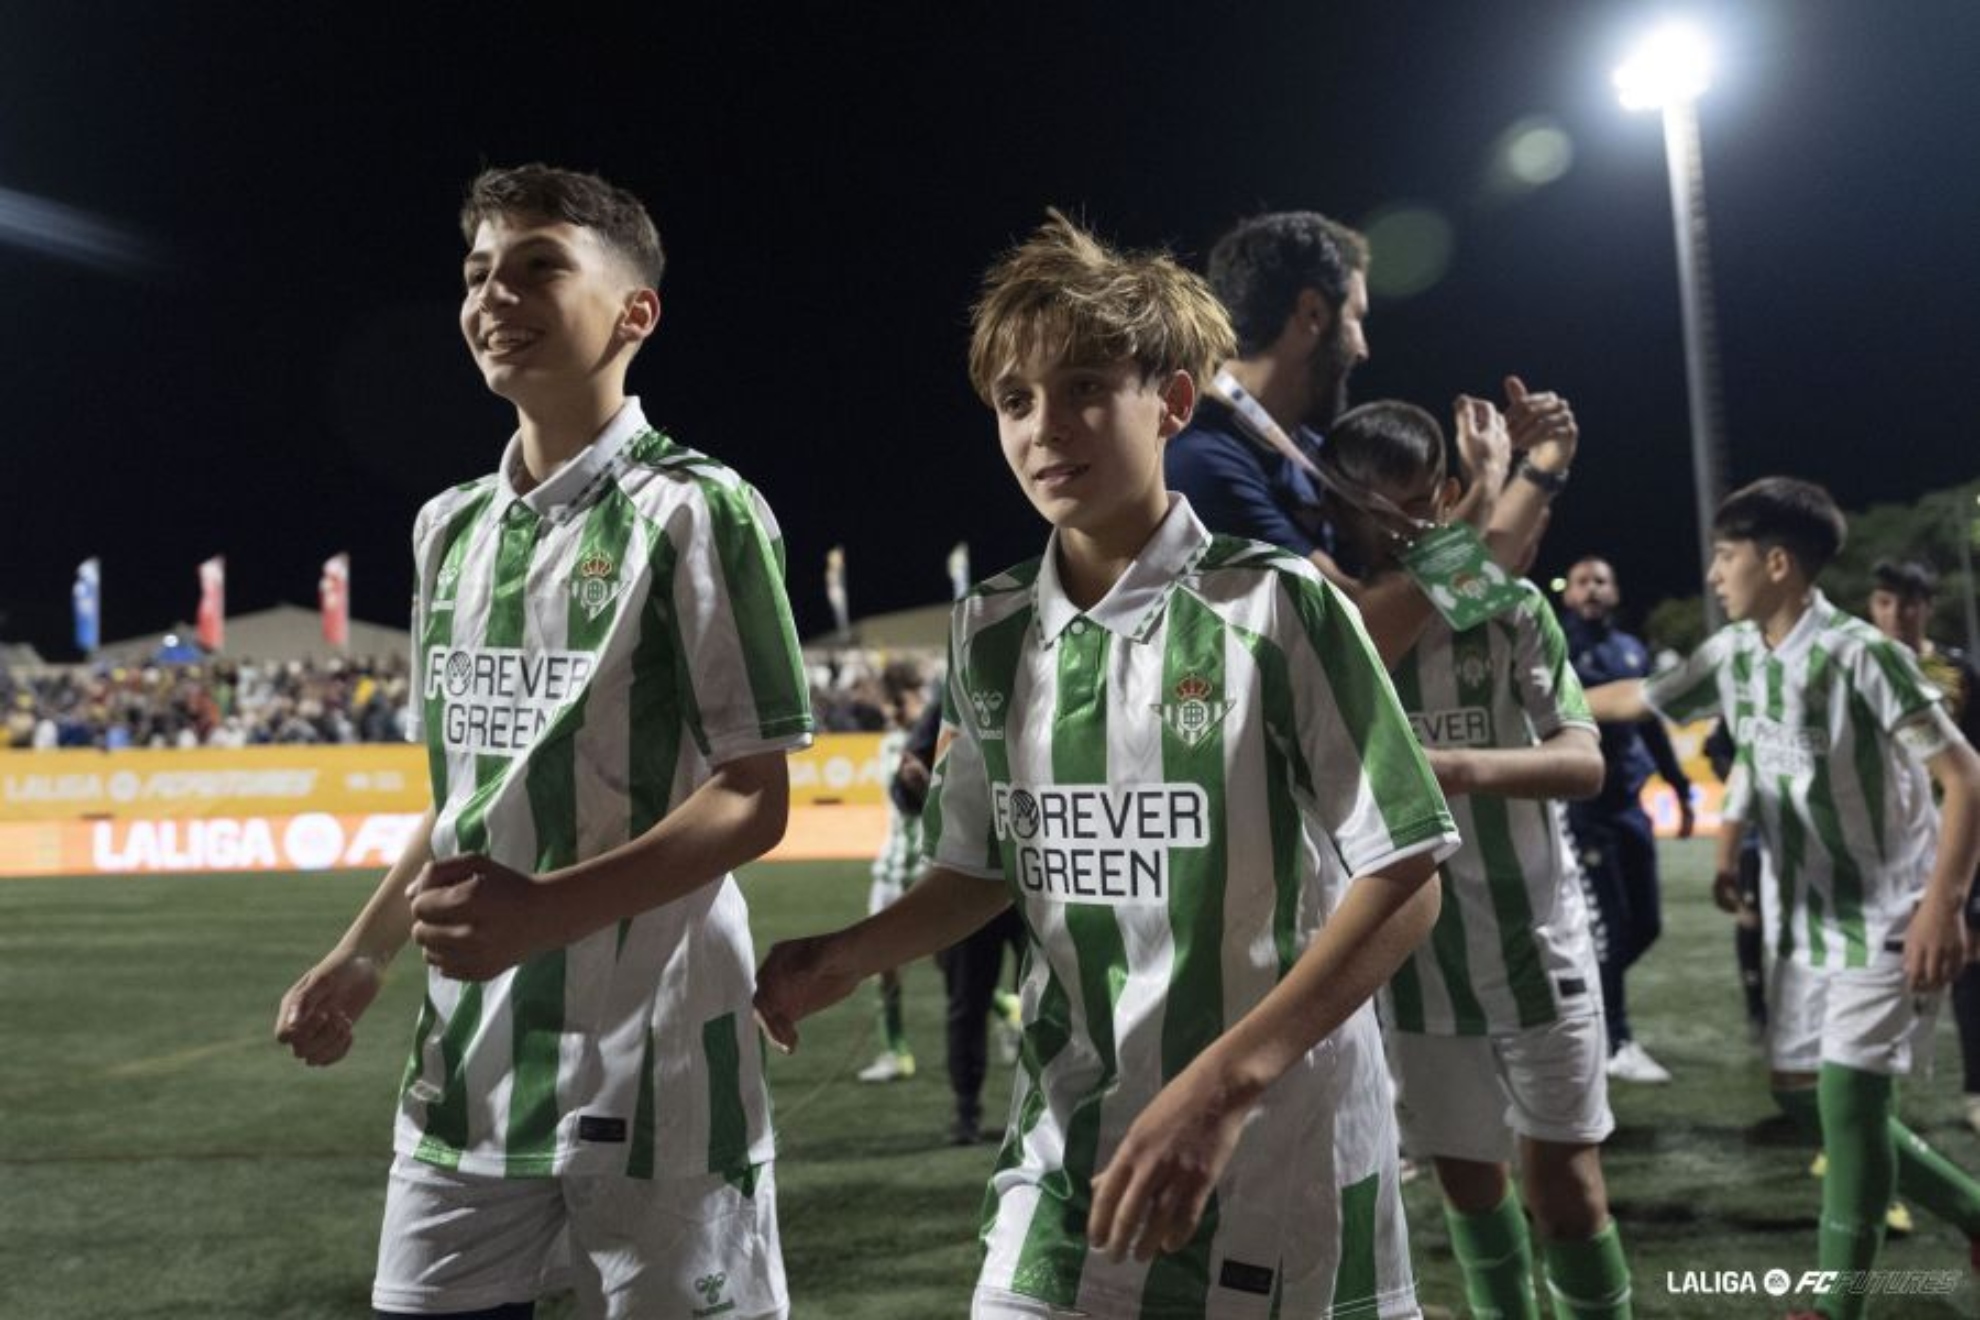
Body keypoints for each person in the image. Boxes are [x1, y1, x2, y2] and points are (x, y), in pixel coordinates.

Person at [755, 212, 1457, 1319]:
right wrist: (845, 952)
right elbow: (983, 867)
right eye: (1016, 401)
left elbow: (1407, 878)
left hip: (1279, 1145)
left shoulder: (1278, 604)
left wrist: (1226, 1085)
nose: (1047, 427)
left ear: (1172, 402)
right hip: (1067, 1140)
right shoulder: (989, 629)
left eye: (1086, 386)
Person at [274, 164, 812, 1320]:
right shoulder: (448, 528)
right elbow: (468, 794)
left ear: (635, 312)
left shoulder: (698, 509)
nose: (492, 294)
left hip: (659, 1060)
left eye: (537, 266)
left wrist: (546, 911)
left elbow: (753, 797)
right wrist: (365, 953)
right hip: (465, 1064)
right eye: (477, 272)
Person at [1586, 478, 1980, 1320]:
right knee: (1797, 1096)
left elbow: (1964, 774)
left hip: (1889, 909)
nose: (1715, 575)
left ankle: (1837, 1306)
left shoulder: (1862, 656)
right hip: (1801, 916)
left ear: (1777, 563)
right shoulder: (1734, 655)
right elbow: (1633, 700)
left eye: (1726, 557)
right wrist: (1526, 706)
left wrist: (1943, 907)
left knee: (1849, 1101)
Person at [1324, 401, 1631, 1320]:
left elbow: (1583, 762)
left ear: (1449, 496)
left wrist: (1450, 768)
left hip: (1538, 949)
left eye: (1414, 504)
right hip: (1417, 973)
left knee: (1567, 1198)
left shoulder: (1513, 611)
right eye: (1369, 508)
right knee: (1470, 1192)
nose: (1394, 528)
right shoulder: (1338, 623)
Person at [1163, 209, 1575, 664]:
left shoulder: (1305, 450)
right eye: (1356, 317)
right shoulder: (1202, 462)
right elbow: (1359, 638)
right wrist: (1485, 484)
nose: (1363, 347)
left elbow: (1463, 585)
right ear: (1313, 313)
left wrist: (1543, 465)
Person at [1558, 555, 1696, 1084]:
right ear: (1568, 594)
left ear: (1615, 592)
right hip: (1583, 805)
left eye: (1602, 581)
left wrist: (1680, 787)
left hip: (1630, 806)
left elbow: (1654, 726)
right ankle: (1614, 1040)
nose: (1592, 589)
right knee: (1611, 929)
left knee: (1646, 925)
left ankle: (1583, 999)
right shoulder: (1558, 647)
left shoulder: (1632, 648)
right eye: (1582, 581)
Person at [1867, 558, 1980, 1135]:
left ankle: (1976, 1088)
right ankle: (1868, 1113)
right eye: (1886, 602)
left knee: (1967, 959)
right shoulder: (1857, 665)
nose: (1897, 614)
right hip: (1877, 844)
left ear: (1926, 608)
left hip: (1953, 834)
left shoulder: (1957, 671)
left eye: (1908, 603)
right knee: (1874, 974)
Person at [890, 684, 1029, 1143]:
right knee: (966, 1001)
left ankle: (1047, 1111)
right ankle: (966, 1112)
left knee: (1058, 998)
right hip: (970, 877)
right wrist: (911, 782)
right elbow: (905, 787)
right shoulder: (954, 697)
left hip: (1043, 879)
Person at [856, 660, 934, 1084]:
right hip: (890, 868)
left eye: (899, 703)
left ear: (917, 695)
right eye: (887, 705)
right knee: (880, 965)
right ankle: (896, 1051)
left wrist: (926, 786)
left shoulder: (943, 739)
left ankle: (1006, 1009)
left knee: (948, 961)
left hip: (927, 867)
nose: (892, 713)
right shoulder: (890, 744)